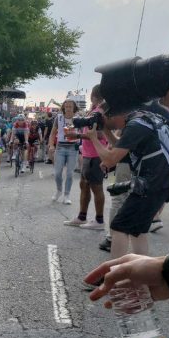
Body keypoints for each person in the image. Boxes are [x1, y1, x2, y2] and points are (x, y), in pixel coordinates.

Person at [86, 101, 169, 259]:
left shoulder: (135, 125)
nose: (105, 123)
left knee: (119, 226)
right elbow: (124, 147)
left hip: (151, 183)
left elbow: (110, 160)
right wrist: (106, 131)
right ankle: (139, 279)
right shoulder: (143, 119)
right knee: (138, 231)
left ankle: (115, 274)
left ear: (114, 115)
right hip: (160, 181)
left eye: (105, 120)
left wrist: (94, 138)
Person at [64, 86, 107, 230]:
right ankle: (82, 217)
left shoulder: (99, 113)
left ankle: (99, 221)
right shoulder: (94, 112)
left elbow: (101, 135)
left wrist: (76, 136)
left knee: (96, 187)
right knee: (84, 185)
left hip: (96, 155)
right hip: (88, 154)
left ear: (93, 96)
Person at [48, 99, 80, 204]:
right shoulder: (59, 118)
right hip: (60, 147)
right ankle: (59, 190)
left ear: (74, 108)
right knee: (57, 173)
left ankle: (67, 195)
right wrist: (51, 145)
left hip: (73, 148)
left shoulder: (79, 119)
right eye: (66, 107)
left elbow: (84, 132)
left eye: (70, 107)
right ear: (63, 108)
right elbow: (53, 133)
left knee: (70, 174)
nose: (68, 109)